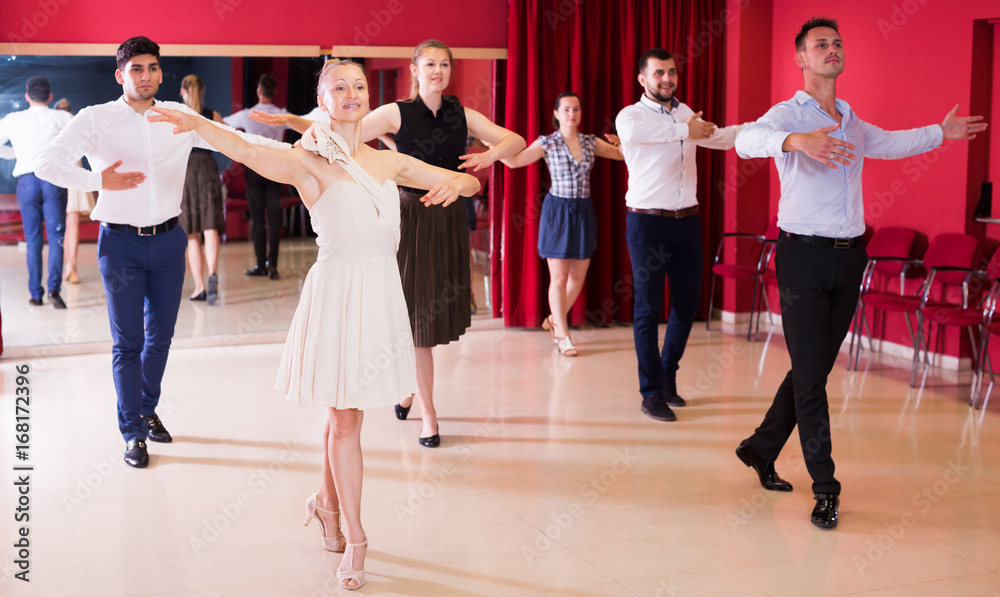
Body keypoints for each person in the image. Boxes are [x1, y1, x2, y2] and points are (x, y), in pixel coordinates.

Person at [149, 58, 480, 590]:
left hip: (380, 294)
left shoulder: (389, 163)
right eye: (339, 87)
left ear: (368, 98)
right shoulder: (306, 162)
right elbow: (248, 148)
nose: (351, 93)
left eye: (359, 86)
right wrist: (196, 123)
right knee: (345, 420)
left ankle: (324, 503)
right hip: (337, 294)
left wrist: (459, 186)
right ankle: (357, 534)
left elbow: (463, 182)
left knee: (345, 415)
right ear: (322, 101)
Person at [734, 17, 987, 529]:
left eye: (837, 43)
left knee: (812, 370)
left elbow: (892, 143)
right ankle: (826, 487)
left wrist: (942, 132)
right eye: (820, 44)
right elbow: (745, 141)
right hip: (802, 256)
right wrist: (795, 142)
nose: (832, 49)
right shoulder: (787, 114)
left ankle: (760, 447)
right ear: (801, 59)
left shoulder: (849, 118)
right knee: (811, 378)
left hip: (850, 258)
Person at [251, 40, 526, 447]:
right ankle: (426, 413)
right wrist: (292, 120)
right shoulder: (395, 112)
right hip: (406, 218)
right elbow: (339, 131)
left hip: (447, 216)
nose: (438, 71)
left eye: (445, 64)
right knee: (416, 321)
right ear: (414, 70)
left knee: (428, 322)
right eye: (430, 64)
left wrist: (487, 158)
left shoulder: (461, 114)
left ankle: (409, 391)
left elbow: (515, 142)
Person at [35, 36, 289, 469]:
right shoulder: (96, 119)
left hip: (171, 240)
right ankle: (133, 433)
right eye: (137, 68)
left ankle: (144, 407)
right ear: (120, 75)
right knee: (127, 342)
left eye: (153, 67)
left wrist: (300, 151)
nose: (147, 75)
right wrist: (100, 182)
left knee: (162, 338)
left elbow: (234, 142)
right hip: (121, 245)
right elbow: (47, 163)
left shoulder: (179, 116)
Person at [616, 48, 748, 422]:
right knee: (647, 309)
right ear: (643, 79)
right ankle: (651, 392)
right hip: (647, 223)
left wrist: (762, 129)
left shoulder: (685, 112)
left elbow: (717, 137)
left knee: (687, 304)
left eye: (671, 72)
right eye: (659, 73)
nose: (667, 79)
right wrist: (685, 130)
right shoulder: (631, 116)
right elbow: (641, 133)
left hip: (687, 221)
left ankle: (668, 374)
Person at [499, 92, 623, 356]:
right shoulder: (547, 142)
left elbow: (624, 156)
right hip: (558, 211)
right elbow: (514, 161)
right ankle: (563, 335)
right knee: (559, 277)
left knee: (578, 276)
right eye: (566, 109)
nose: (571, 114)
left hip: (584, 210)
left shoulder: (591, 142)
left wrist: (623, 142)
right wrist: (494, 148)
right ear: (556, 113)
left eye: (576, 109)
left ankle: (555, 318)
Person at [0, 75, 70, 309]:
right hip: (54, 180)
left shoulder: (12, 119)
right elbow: (81, 145)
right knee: (57, 238)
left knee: (33, 240)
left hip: (27, 182)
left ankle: (35, 294)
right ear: (50, 96)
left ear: (27, 96)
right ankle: (54, 291)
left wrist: (16, 155)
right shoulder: (63, 117)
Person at [224, 74, 288, 280]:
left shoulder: (247, 114)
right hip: (277, 168)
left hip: (255, 169)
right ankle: (274, 267)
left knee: (258, 218)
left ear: (259, 91)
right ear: (274, 92)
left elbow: (222, 122)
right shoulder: (282, 114)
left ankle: (261, 265)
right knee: (275, 218)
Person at [179, 75, 225, 304]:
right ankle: (213, 274)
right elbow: (229, 140)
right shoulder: (213, 115)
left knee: (192, 233)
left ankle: (199, 287)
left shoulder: (179, 117)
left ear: (183, 91)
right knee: (210, 227)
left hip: (187, 171)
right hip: (208, 167)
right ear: (203, 90)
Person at [53, 98, 96, 286]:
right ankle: (70, 267)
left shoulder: (58, 129)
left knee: (67, 226)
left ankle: (70, 267)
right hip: (69, 175)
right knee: (70, 225)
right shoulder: (76, 127)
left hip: (67, 177)